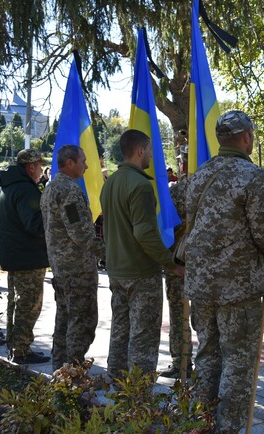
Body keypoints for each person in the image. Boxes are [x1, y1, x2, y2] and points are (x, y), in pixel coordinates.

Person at [185, 110, 264, 433]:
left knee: (208, 357)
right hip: (237, 290)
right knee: (238, 364)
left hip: (201, 287)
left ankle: (200, 424)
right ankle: (228, 428)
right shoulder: (253, 177)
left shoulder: (199, 175)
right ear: (246, 138)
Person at [100, 129, 184, 382]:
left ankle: (115, 382)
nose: (150, 155)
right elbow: (145, 233)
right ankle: (138, 396)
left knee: (120, 330)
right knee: (144, 336)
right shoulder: (140, 186)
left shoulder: (111, 183)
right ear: (139, 151)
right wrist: (171, 263)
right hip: (140, 272)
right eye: (149, 150)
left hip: (116, 269)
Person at [40, 145, 105, 371]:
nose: (87, 166)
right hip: (77, 268)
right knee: (82, 323)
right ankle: (72, 376)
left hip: (61, 267)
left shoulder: (50, 188)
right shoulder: (69, 191)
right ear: (70, 163)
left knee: (64, 320)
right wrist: (109, 254)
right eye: (83, 161)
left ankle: (59, 371)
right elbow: (80, 232)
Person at [0, 149, 50, 364]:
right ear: (31, 167)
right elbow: (35, 224)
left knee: (16, 302)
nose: (40, 170)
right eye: (39, 165)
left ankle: (14, 344)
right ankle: (21, 350)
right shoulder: (26, 191)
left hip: (13, 254)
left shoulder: (5, 188)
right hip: (28, 256)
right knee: (29, 304)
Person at [159, 145, 194, 379]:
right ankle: (212, 363)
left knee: (178, 312)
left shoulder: (177, 192)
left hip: (180, 263)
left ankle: (181, 361)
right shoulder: (217, 188)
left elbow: (166, 227)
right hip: (210, 264)